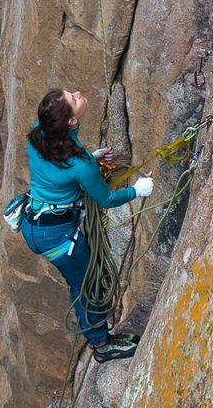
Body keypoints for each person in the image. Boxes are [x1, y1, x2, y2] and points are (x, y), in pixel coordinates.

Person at [22, 88, 153, 362]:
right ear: (71, 121)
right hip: (58, 237)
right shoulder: (80, 165)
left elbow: (62, 165)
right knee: (89, 286)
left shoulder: (38, 133)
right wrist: (138, 190)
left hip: (38, 224)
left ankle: (98, 335)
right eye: (74, 98)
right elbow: (106, 199)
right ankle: (101, 345)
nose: (78, 93)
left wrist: (90, 159)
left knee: (79, 281)